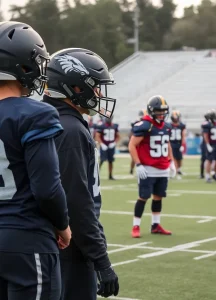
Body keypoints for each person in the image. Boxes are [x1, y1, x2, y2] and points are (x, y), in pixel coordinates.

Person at [0, 21, 71, 300]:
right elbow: (47, 188)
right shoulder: (35, 113)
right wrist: (63, 226)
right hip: (26, 237)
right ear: (24, 66)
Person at [43, 48, 119, 300]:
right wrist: (101, 260)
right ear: (74, 87)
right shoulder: (71, 130)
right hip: (70, 248)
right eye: (94, 86)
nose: (98, 93)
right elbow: (77, 203)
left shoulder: (46, 119)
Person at [129, 95, 176, 238]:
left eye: (163, 111)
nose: (161, 114)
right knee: (143, 197)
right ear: (151, 111)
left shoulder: (166, 126)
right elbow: (132, 145)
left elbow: (167, 144)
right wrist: (138, 164)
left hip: (163, 168)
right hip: (148, 169)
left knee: (158, 197)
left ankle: (156, 225)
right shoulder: (146, 125)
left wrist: (171, 161)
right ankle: (136, 226)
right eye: (158, 111)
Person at [201, 109, 216, 183]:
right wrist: (208, 145)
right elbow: (205, 135)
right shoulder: (207, 124)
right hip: (211, 144)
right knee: (209, 160)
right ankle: (207, 176)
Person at [96, 116, 120, 180]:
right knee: (102, 160)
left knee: (111, 161)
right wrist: (102, 144)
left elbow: (118, 136)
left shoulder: (115, 126)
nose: (108, 119)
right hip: (104, 146)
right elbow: (97, 136)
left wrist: (114, 143)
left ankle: (110, 175)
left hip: (111, 146)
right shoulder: (101, 126)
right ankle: (96, 173)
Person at [169, 110, 186, 179]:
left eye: (177, 117)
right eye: (174, 117)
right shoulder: (169, 125)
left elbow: (183, 135)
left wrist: (182, 145)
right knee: (174, 158)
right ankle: (175, 173)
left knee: (179, 159)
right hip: (172, 143)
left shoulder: (182, 125)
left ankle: (178, 170)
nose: (176, 118)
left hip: (178, 143)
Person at [129, 109, 147, 175]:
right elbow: (131, 134)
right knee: (134, 158)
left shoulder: (147, 124)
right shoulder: (136, 124)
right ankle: (131, 169)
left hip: (142, 144)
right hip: (136, 142)